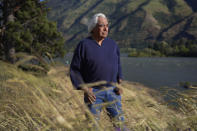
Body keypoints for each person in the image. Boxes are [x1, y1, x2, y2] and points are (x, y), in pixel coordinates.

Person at [70, 13, 126, 130]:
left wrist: (119, 84)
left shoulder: (112, 44)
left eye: (107, 25)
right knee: (92, 127)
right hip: (93, 93)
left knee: (120, 126)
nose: (106, 29)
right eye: (102, 26)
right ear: (93, 27)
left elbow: (118, 65)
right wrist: (85, 89)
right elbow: (75, 70)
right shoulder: (83, 45)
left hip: (113, 91)